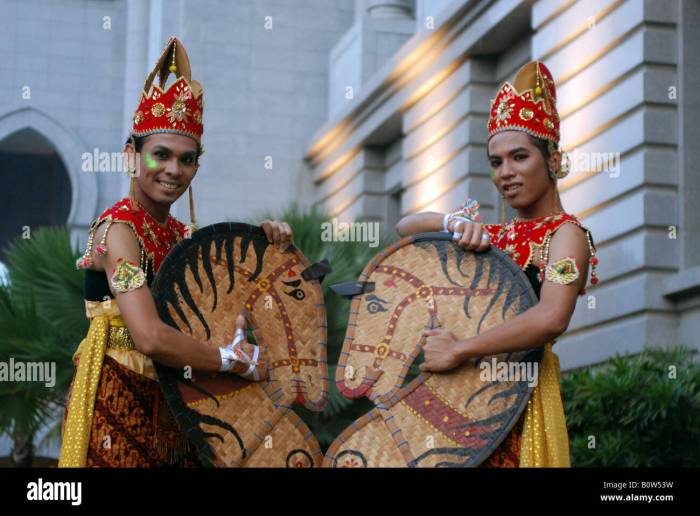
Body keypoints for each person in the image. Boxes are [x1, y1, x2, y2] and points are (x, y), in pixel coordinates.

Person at [59, 37, 293, 467]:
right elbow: (147, 336)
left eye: (186, 160)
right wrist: (229, 362)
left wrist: (268, 245)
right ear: (132, 156)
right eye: (160, 155)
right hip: (118, 399)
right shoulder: (118, 232)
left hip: (177, 402)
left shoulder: (184, 235)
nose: (173, 169)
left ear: (196, 168)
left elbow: (230, 309)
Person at [395, 61, 598, 467]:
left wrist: (461, 350)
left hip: (519, 396)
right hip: (461, 396)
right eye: (496, 162)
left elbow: (551, 317)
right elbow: (405, 227)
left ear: (553, 160)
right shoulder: (490, 234)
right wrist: (453, 223)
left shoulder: (567, 237)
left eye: (519, 157)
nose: (506, 173)